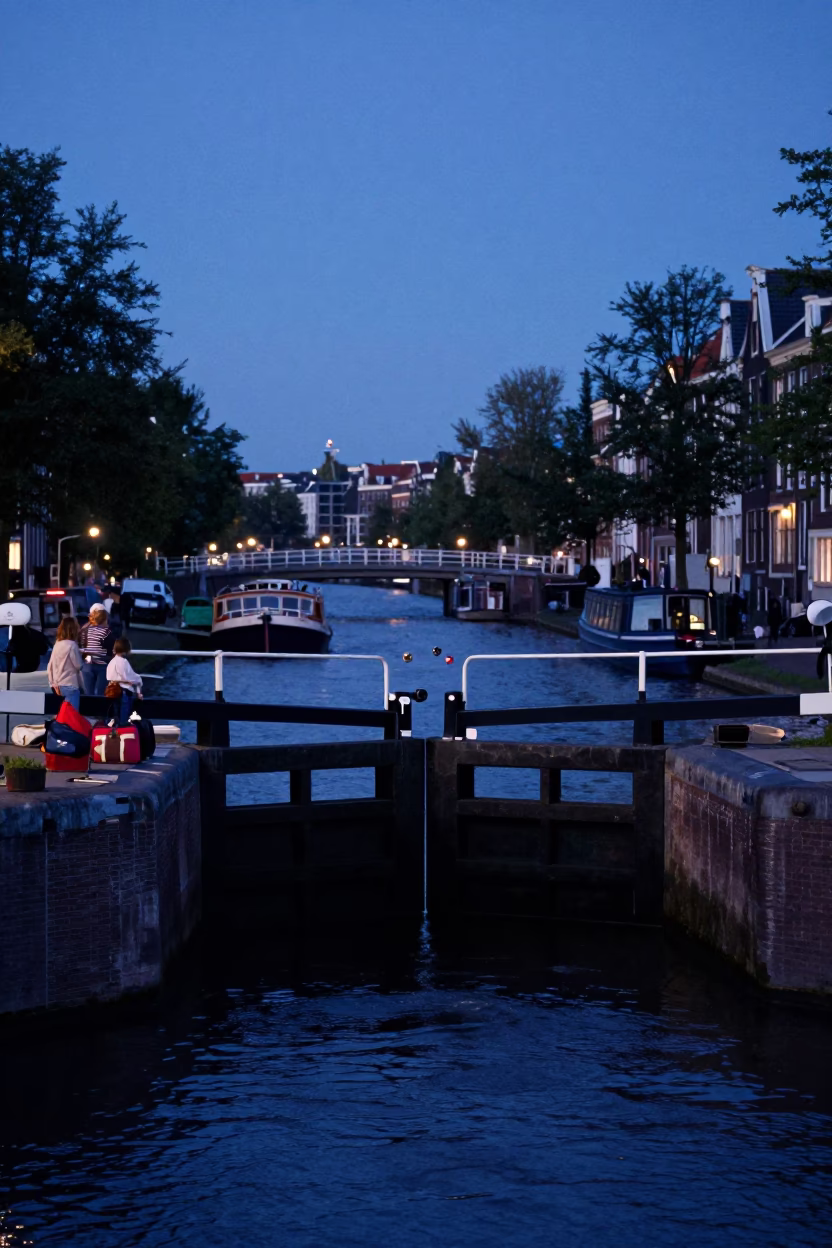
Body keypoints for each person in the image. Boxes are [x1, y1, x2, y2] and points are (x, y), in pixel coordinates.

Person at [46, 617, 83, 711]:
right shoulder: (72, 645)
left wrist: (53, 683)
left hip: (57, 685)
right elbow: (78, 665)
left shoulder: (57, 644)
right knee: (72, 715)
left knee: (61, 714)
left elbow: (50, 665)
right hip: (69, 684)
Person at [78, 605, 115, 695]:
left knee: (88, 694)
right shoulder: (107, 632)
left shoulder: (84, 630)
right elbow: (110, 648)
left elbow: (81, 645)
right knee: (101, 693)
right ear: (104, 617)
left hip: (87, 665)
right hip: (102, 666)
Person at [106, 636, 143, 725]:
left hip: (113, 691)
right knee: (124, 719)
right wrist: (139, 688)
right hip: (124, 692)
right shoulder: (124, 662)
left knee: (115, 716)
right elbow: (133, 678)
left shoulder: (112, 662)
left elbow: (109, 677)